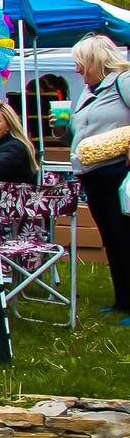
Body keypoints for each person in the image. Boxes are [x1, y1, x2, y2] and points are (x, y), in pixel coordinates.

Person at [68, 34, 130, 319]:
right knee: (113, 238)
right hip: (94, 176)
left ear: (95, 60)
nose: (77, 69)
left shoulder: (123, 82)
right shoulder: (89, 91)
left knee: (125, 236)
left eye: (80, 63)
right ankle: (123, 299)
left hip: (117, 173)